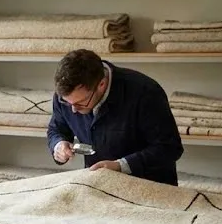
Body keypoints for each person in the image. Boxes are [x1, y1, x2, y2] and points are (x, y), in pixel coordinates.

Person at [46, 49, 183, 186]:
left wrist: (120, 166)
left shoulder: (145, 92)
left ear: (101, 84)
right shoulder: (66, 96)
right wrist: (58, 145)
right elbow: (56, 129)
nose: (73, 109)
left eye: (80, 103)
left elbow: (169, 148)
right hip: (99, 186)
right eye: (66, 102)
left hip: (150, 187)